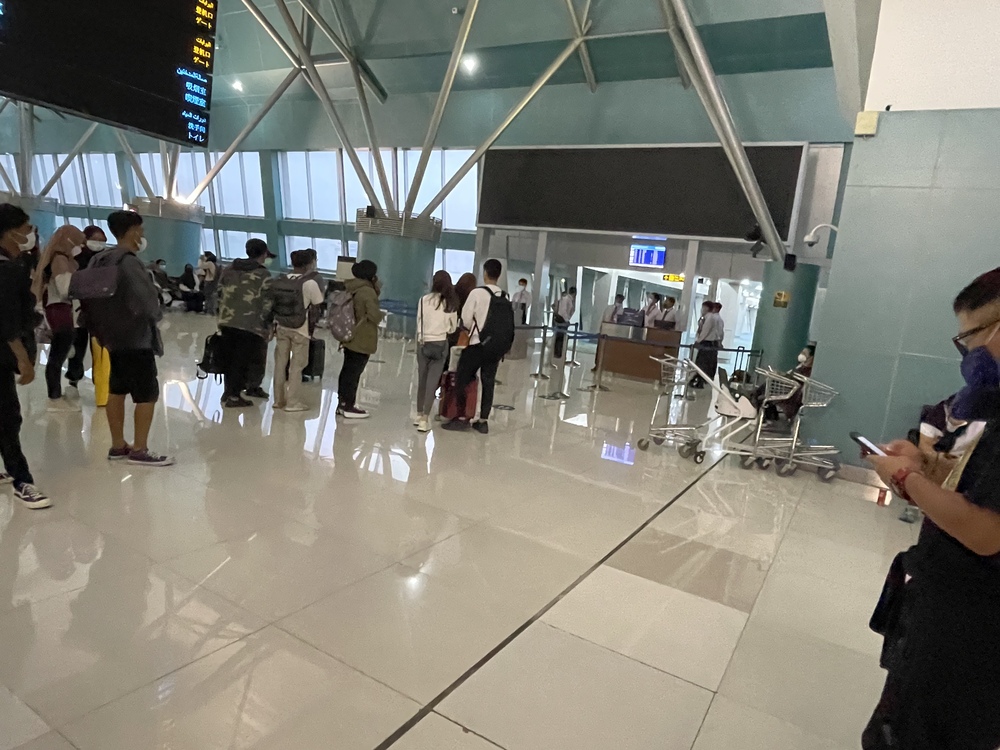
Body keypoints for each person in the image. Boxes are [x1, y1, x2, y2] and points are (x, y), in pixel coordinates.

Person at [862, 267, 1000, 750]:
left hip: (972, 628)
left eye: (974, 336)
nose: (970, 353)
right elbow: (976, 492)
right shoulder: (991, 410)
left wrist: (905, 478)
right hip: (943, 604)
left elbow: (985, 531)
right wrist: (924, 470)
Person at [0, 206, 80, 508]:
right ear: (10, 232)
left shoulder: (16, 264)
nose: (31, 233)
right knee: (8, 417)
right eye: (26, 228)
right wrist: (22, 358)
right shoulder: (6, 270)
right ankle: (22, 481)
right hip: (4, 352)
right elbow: (6, 322)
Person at [88, 210, 173, 466]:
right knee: (146, 393)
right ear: (134, 231)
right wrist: (157, 313)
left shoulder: (99, 259)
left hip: (110, 336)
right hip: (135, 337)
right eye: (141, 230)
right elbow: (146, 300)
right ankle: (140, 449)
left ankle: (117, 445)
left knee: (117, 388)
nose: (142, 235)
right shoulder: (129, 262)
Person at [443, 258, 513, 435]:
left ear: (485, 273)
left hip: (476, 344)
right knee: (488, 381)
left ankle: (462, 416)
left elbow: (466, 320)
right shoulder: (504, 296)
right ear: (499, 275)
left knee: (463, 377)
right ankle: (483, 421)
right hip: (495, 347)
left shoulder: (477, 293)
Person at [216, 238, 275, 408]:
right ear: (264, 254)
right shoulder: (263, 274)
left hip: (227, 320)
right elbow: (268, 302)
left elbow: (219, 293)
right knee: (243, 360)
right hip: (250, 324)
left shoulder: (229, 269)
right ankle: (235, 396)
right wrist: (267, 323)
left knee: (230, 358)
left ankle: (228, 392)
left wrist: (220, 316)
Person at [32, 225, 82, 412]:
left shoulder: (62, 258)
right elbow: (65, 288)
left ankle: (55, 394)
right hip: (58, 309)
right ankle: (54, 397)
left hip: (60, 309)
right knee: (57, 356)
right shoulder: (60, 259)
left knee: (59, 353)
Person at [272, 249, 323, 412]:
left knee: (280, 364)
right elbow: (317, 304)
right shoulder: (310, 283)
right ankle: (292, 402)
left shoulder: (280, 280)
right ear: (309, 264)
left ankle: (278, 400)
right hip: (301, 329)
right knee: (296, 366)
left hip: (281, 326)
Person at [337, 259, 383, 419]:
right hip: (362, 336)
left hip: (349, 334)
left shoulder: (351, 287)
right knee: (354, 372)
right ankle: (349, 405)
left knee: (347, 370)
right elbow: (374, 315)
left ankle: (342, 403)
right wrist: (381, 314)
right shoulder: (367, 291)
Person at [415, 270, 459, 432]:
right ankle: (425, 419)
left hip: (423, 342)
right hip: (440, 344)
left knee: (422, 379)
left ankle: (418, 413)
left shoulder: (423, 300)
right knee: (432, 382)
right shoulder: (449, 303)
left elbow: (418, 321)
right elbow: (453, 328)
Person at [65, 225, 108, 390]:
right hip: (79, 307)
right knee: (78, 343)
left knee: (99, 345)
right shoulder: (75, 258)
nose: (98, 244)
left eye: (102, 240)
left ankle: (101, 379)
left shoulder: (105, 260)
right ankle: (74, 376)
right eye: (95, 239)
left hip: (99, 309)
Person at [593, 293, 627, 372]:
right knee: (600, 349)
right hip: (604, 331)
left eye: (620, 300)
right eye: (617, 299)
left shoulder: (623, 312)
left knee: (610, 351)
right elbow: (602, 318)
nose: (618, 301)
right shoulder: (608, 308)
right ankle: (597, 365)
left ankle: (608, 367)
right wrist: (599, 329)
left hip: (613, 334)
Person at [690, 301, 719, 389]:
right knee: (701, 363)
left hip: (707, 343)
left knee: (702, 364)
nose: (701, 310)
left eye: (703, 308)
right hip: (705, 342)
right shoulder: (705, 318)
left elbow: (705, 331)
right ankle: (697, 380)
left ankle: (700, 381)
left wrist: (698, 341)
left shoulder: (709, 318)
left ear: (706, 308)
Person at [553, 286, 577, 360]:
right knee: (560, 337)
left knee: (560, 337)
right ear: (574, 293)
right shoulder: (567, 299)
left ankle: (559, 353)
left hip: (561, 319)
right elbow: (563, 311)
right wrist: (566, 320)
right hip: (562, 320)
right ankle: (558, 353)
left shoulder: (567, 299)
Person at [199, 251, 219, 316]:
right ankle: (209, 310)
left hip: (209, 281)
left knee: (208, 297)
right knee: (210, 297)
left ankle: (209, 310)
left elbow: (200, 266)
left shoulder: (210, 263)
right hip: (213, 281)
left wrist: (201, 259)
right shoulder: (214, 264)